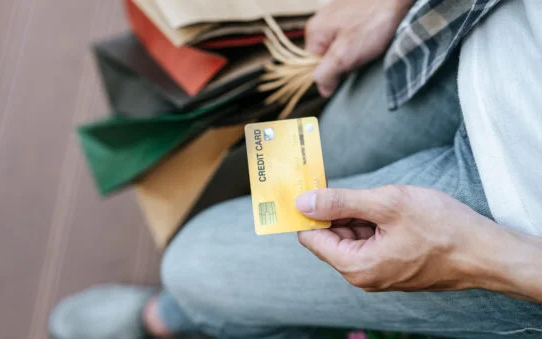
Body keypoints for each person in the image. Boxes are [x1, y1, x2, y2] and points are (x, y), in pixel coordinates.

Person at [48, 0, 542, 338]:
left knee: (196, 265)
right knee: (313, 166)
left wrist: (485, 258)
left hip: (514, 225)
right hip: (477, 32)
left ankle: (174, 316)